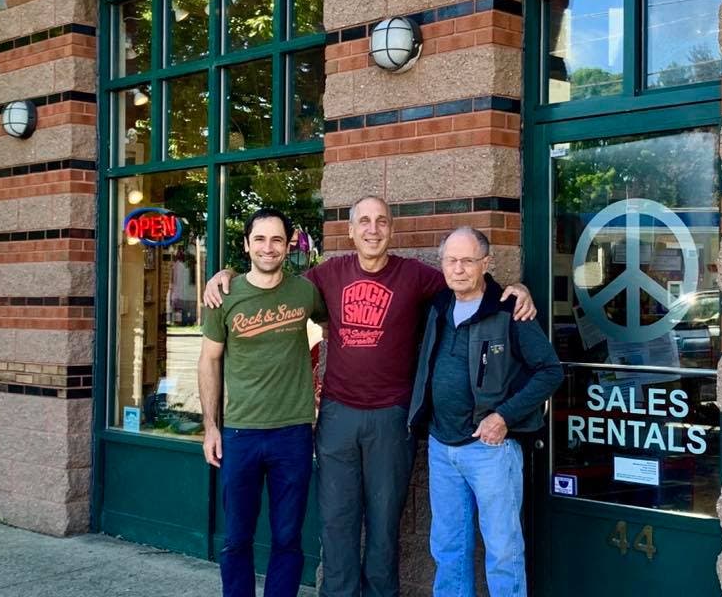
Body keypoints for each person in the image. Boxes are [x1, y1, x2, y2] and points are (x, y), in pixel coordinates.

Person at [203, 195, 536, 597]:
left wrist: (513, 290)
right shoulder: (325, 276)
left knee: (383, 523)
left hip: (392, 418)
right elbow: (268, 281)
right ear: (351, 230)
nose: (372, 229)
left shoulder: (415, 276)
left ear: (391, 229)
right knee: (336, 522)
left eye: (381, 221)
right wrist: (223, 277)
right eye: (364, 221)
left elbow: (465, 285)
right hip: (337, 416)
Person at [408, 226, 562, 597]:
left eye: (468, 260)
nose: (458, 268)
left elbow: (551, 371)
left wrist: (504, 416)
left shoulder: (510, 310)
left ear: (486, 263)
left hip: (489, 450)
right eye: (451, 260)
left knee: (503, 549)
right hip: (442, 448)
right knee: (448, 549)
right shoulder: (438, 306)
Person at [198, 207, 327, 597]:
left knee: (288, 537)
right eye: (259, 239)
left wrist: (324, 378)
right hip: (241, 433)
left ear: (288, 246)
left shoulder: (305, 291)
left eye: (276, 240)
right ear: (246, 244)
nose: (268, 248)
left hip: (293, 432)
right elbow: (210, 360)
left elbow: (332, 327)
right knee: (237, 537)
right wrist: (211, 428)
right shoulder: (224, 295)